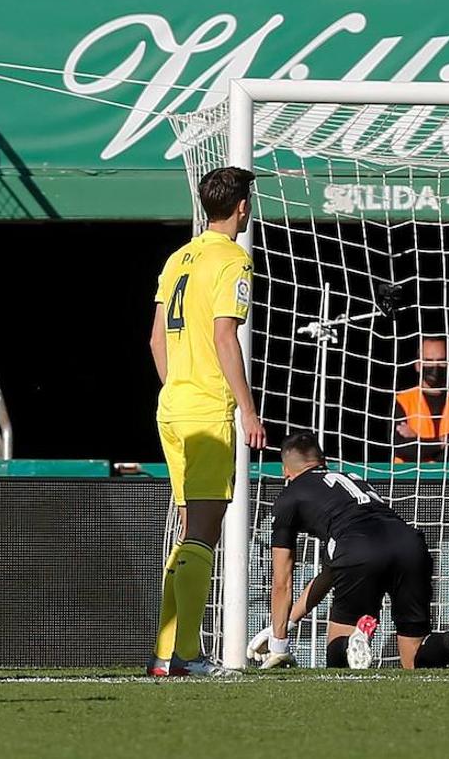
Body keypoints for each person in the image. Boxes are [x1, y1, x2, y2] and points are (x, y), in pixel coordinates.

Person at [247, 432, 449, 670]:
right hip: (409, 544)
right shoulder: (353, 480)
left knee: (338, 662)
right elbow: (328, 575)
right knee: (414, 661)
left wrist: (279, 643)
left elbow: (282, 580)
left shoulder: (289, 496)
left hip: (357, 549)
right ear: (323, 461)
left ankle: (351, 643)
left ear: (285, 471)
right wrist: (283, 625)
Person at [146, 166, 267, 678]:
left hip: (171, 406)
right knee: (202, 534)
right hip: (204, 410)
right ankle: (186, 656)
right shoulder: (234, 259)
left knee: (188, 535)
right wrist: (248, 407)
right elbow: (224, 337)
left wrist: (177, 390)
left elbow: (155, 341)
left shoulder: (179, 257)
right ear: (242, 207)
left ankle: (164, 653)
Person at [393, 337, 449, 463]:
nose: (435, 366)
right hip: (407, 479)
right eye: (428, 361)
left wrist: (418, 441)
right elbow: (402, 448)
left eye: (441, 361)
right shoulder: (402, 401)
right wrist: (443, 442)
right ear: (417, 365)